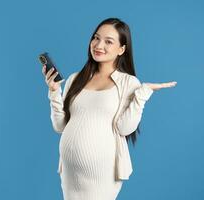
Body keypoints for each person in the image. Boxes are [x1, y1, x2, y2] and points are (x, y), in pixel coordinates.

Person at [42, 17, 177, 200]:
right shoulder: (76, 78)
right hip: (69, 171)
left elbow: (125, 128)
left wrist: (142, 94)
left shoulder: (128, 83)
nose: (98, 45)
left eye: (108, 41)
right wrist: (54, 92)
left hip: (102, 173)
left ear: (122, 49)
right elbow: (60, 126)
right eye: (96, 38)